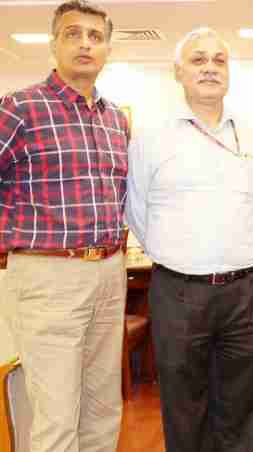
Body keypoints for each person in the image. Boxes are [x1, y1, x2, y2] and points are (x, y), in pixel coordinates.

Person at [125, 27, 253, 452]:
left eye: (219, 60)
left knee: (243, 399)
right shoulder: (152, 136)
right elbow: (137, 209)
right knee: (184, 401)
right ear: (178, 72)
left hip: (244, 290)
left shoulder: (251, 135)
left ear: (229, 72)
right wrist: (183, 255)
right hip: (178, 292)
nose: (209, 68)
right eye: (198, 60)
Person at [0, 1, 128, 451]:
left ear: (108, 48)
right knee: (56, 418)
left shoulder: (115, 119)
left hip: (111, 274)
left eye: (95, 36)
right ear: (54, 43)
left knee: (102, 410)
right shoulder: (20, 108)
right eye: (73, 34)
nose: (85, 44)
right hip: (47, 276)